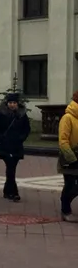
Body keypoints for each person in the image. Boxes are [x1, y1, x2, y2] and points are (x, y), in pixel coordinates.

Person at [0, 93, 31, 202]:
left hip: (17, 146)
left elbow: (27, 129)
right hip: (5, 146)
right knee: (11, 168)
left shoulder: (22, 115)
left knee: (11, 168)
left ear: (17, 103)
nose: (12, 105)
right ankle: (14, 193)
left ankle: (7, 191)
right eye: (10, 103)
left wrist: (20, 138)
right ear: (7, 103)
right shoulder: (0, 114)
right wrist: (0, 139)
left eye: (14, 103)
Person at [57, 91, 78, 222]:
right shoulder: (68, 118)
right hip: (70, 159)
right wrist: (72, 159)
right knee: (70, 186)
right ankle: (65, 210)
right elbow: (63, 141)